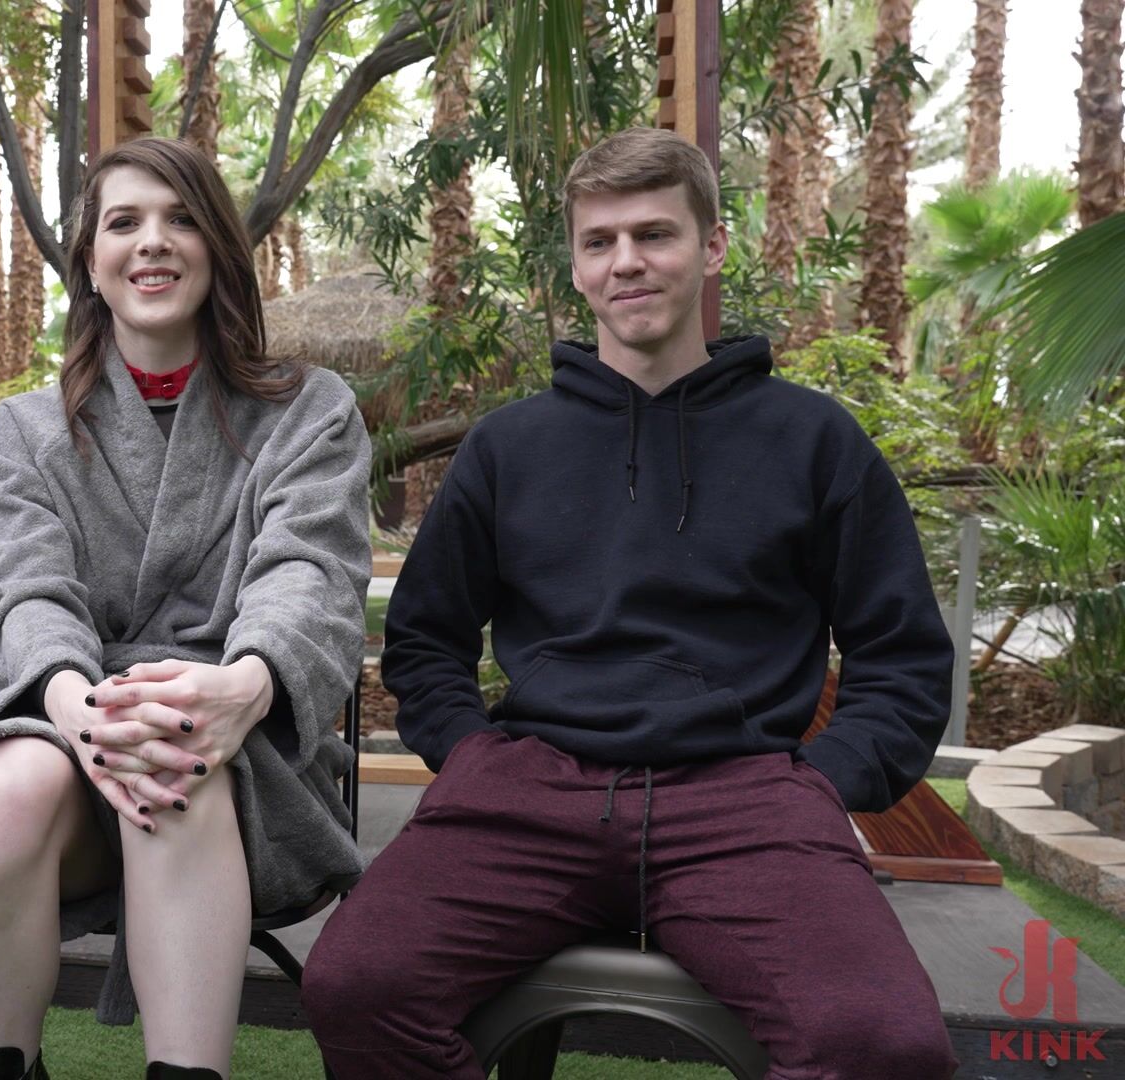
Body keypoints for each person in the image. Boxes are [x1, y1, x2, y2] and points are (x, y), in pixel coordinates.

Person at [301, 127, 959, 1078]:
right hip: (528, 792)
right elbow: (425, 638)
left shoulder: (814, 441)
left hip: (744, 801)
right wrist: (473, 754)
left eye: (655, 234)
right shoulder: (509, 447)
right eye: (600, 242)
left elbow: (902, 653)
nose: (627, 262)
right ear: (576, 267)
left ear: (713, 246)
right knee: (357, 987)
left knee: (881, 1044)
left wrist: (822, 783)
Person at [0, 136, 371, 1080]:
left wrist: (241, 688)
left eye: (180, 219)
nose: (153, 242)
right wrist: (82, 711)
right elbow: (27, 594)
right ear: (91, 264)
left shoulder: (311, 411)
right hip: (71, 728)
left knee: (176, 760)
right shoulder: (24, 432)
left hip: (247, 750)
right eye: (124, 223)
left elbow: (309, 576)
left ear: (217, 249)